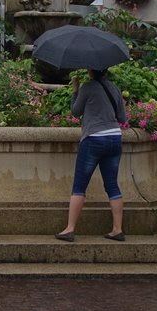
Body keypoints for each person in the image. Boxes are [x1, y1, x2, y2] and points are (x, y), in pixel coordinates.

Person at [55, 68, 127, 242]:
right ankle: (117, 229)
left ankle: (70, 229)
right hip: (114, 138)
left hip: (94, 138)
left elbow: (75, 111)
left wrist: (75, 91)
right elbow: (122, 118)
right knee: (112, 184)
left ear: (91, 70)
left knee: (79, 185)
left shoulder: (88, 87)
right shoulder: (114, 88)